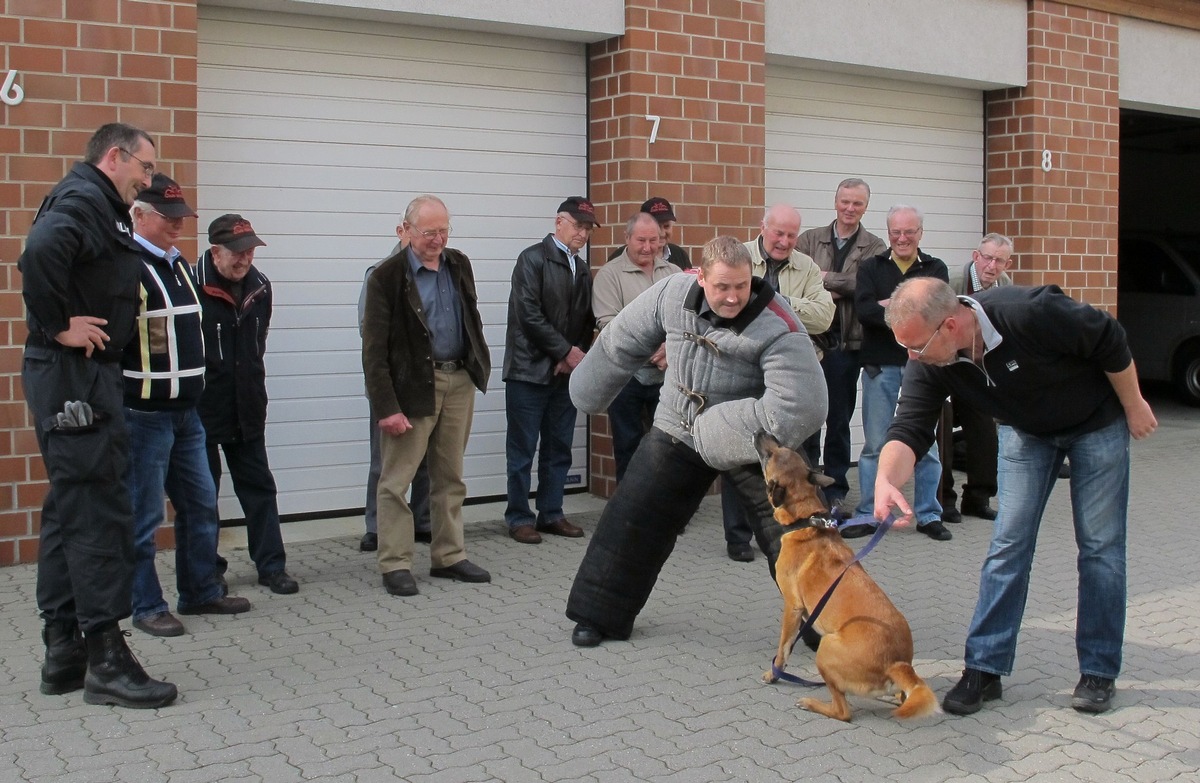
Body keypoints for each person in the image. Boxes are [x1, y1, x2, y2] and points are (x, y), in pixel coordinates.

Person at [873, 277, 1157, 715]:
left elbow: (1109, 337)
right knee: (1009, 545)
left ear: (950, 325)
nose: (911, 357)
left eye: (916, 346)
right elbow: (909, 427)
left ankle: (1099, 671)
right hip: (1027, 433)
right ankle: (984, 669)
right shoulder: (931, 360)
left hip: (1095, 423)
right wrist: (886, 480)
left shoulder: (1030, 312)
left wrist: (1134, 403)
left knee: (1101, 548)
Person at [566, 236, 827, 647]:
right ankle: (599, 616)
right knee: (633, 515)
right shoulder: (672, 292)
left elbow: (803, 407)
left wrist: (721, 427)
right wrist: (589, 389)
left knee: (797, 533)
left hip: (753, 437)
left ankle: (830, 628)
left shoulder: (779, 321)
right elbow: (622, 338)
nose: (733, 297)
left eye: (741, 286)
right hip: (678, 423)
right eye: (722, 286)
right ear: (701, 276)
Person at [19, 122, 177, 708]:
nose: (149, 178)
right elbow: (38, 255)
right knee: (97, 512)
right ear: (115, 157)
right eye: (145, 167)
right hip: (73, 376)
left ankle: (64, 653)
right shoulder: (85, 199)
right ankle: (107, 659)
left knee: (68, 508)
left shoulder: (96, 204)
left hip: (80, 375)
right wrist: (58, 325)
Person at [124, 175, 252, 638]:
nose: (178, 225)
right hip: (144, 413)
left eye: (182, 217)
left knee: (200, 505)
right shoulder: (127, 264)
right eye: (168, 217)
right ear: (138, 215)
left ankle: (199, 590)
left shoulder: (177, 265)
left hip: (187, 411)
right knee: (143, 516)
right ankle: (145, 604)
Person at [361, 195, 493, 596]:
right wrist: (386, 406)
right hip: (414, 386)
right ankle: (395, 563)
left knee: (450, 476)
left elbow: (469, 316)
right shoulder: (385, 277)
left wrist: (475, 366)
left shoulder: (459, 264)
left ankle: (449, 556)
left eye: (444, 230)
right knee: (395, 481)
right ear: (406, 230)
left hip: (458, 381)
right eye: (429, 232)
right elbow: (374, 349)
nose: (438, 239)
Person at [719, 204, 834, 562]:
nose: (784, 241)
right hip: (745, 370)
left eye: (791, 235)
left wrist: (772, 302)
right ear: (762, 228)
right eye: (777, 233)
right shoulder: (736, 257)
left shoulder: (807, 267)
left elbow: (824, 316)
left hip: (794, 372)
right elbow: (726, 305)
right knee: (739, 452)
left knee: (799, 453)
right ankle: (738, 537)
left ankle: (804, 527)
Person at [196, 215, 299, 595]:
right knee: (203, 495)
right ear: (215, 251)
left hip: (248, 405)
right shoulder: (191, 286)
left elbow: (259, 343)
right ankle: (208, 572)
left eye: (250, 251)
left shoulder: (261, 288)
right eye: (237, 253)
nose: (244, 260)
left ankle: (272, 566)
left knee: (259, 488)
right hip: (203, 408)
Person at [841, 204, 952, 542]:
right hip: (880, 368)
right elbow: (865, 312)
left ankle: (930, 513)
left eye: (909, 232)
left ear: (920, 233)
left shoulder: (936, 268)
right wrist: (910, 310)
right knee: (876, 444)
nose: (902, 238)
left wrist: (890, 306)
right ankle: (870, 513)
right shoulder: (871, 267)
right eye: (896, 232)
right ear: (888, 233)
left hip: (924, 367)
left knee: (927, 444)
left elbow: (939, 312)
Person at [502, 197, 597, 544]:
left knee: (559, 447)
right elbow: (528, 314)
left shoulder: (582, 268)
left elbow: (586, 320)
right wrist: (563, 351)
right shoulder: (532, 259)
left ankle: (552, 513)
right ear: (559, 222)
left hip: (564, 373)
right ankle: (518, 517)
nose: (583, 234)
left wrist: (575, 354)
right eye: (578, 225)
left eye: (588, 228)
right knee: (522, 450)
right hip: (528, 371)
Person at [795, 178, 887, 506]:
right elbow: (797, 282)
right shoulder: (808, 239)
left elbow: (864, 285)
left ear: (866, 206)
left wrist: (823, 280)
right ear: (835, 202)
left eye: (857, 203)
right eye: (845, 202)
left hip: (846, 345)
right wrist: (834, 287)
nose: (850, 209)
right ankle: (806, 490)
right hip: (808, 343)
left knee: (838, 420)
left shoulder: (875, 246)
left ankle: (834, 491)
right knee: (807, 419)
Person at [593, 212, 682, 482]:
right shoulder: (609, 275)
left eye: (653, 240)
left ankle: (663, 517)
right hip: (625, 377)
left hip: (667, 378)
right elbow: (608, 325)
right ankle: (628, 518)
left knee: (669, 448)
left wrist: (670, 346)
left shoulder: (675, 274)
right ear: (627, 238)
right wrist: (650, 348)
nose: (647, 247)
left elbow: (687, 321)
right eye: (640, 240)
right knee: (628, 447)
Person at [358, 252, 431, 553]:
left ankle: (423, 521)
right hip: (391, 383)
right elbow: (368, 329)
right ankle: (376, 527)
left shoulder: (440, 271)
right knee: (384, 462)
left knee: (426, 460)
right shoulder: (380, 272)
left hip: (428, 381)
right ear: (403, 230)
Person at [939, 233, 1015, 522]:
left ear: (1008, 263)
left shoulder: (1004, 285)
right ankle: (944, 499)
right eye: (987, 257)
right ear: (976, 256)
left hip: (979, 366)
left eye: (999, 260)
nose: (992, 265)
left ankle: (978, 498)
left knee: (984, 431)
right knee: (942, 431)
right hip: (947, 362)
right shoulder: (953, 280)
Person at [607, 197, 692, 270]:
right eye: (657, 227)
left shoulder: (680, 255)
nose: (662, 233)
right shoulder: (618, 258)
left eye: (666, 226)